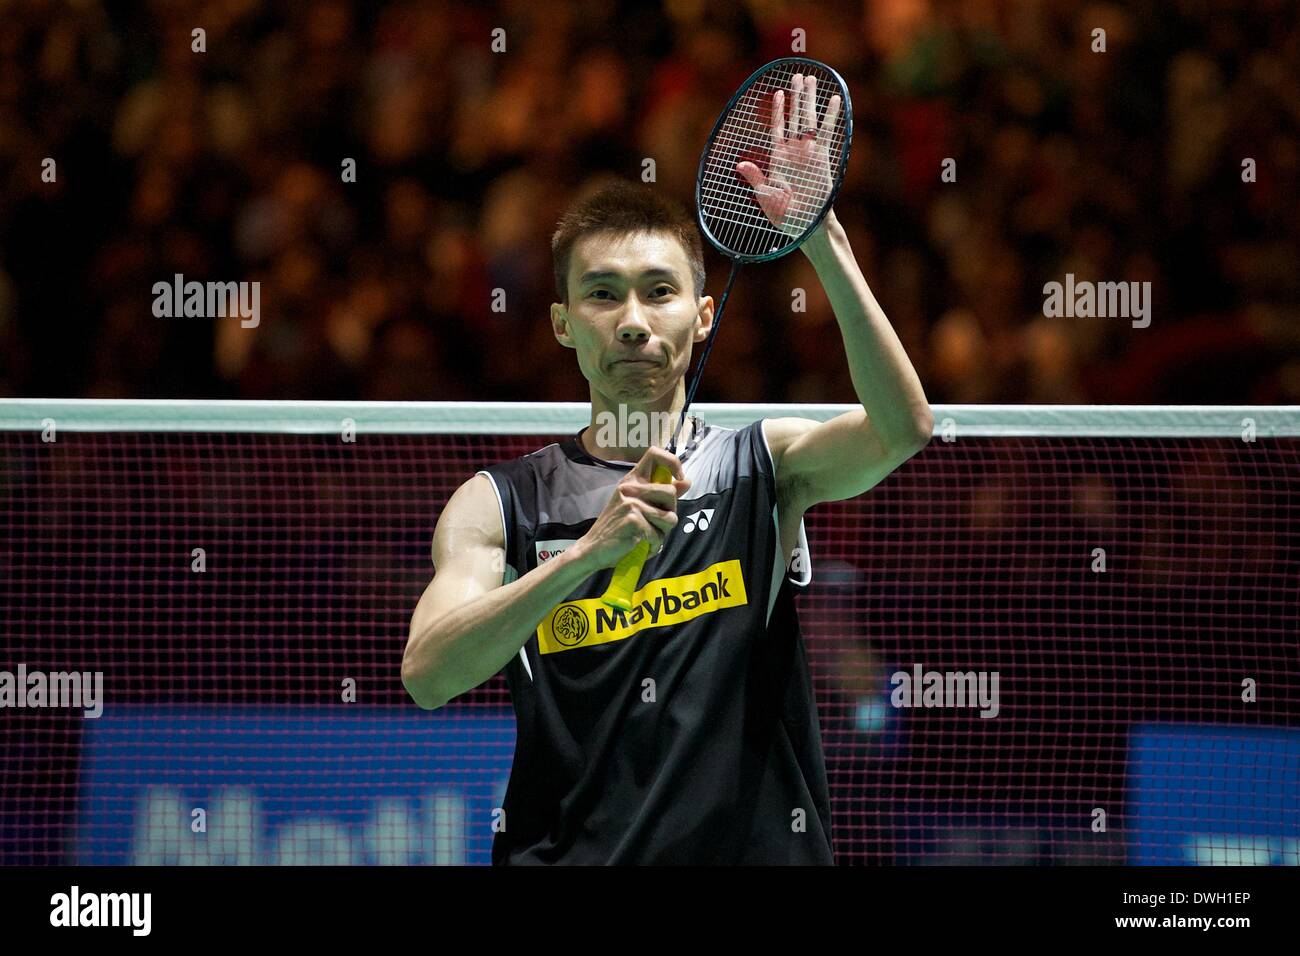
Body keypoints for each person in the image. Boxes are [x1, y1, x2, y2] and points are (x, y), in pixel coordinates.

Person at [403, 74, 932, 864]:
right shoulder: (500, 504)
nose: (634, 323)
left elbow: (903, 429)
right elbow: (428, 675)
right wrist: (585, 557)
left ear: (703, 313)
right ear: (561, 324)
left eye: (659, 293)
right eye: (602, 296)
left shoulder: (759, 465)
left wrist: (823, 238)